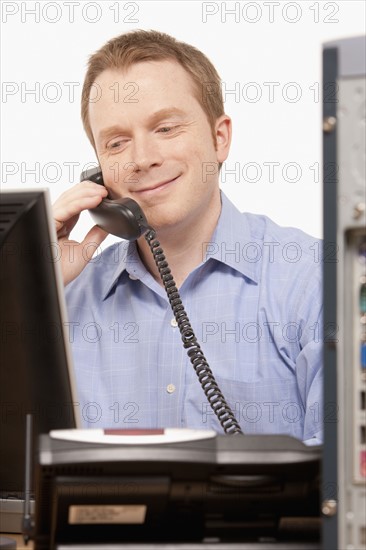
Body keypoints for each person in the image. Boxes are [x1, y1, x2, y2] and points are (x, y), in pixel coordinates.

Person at [53, 30, 323, 444]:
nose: (143, 159)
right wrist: (29, 285)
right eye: (117, 142)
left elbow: (347, 483)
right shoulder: (65, 301)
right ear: (98, 170)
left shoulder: (314, 281)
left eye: (165, 128)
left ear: (220, 138)